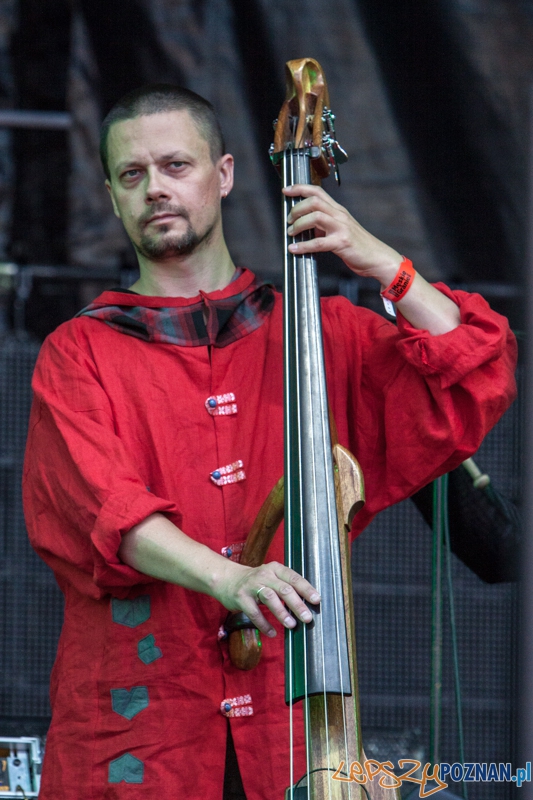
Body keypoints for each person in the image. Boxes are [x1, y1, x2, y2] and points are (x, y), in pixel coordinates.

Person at [22, 84, 516, 800]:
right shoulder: (77, 353)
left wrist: (379, 259)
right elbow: (109, 513)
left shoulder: (324, 337)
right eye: (133, 175)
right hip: (140, 735)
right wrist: (232, 579)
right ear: (111, 193)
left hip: (291, 729)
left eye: (175, 166)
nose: (155, 188)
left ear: (223, 174)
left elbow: (477, 362)